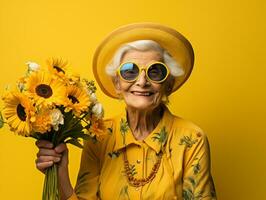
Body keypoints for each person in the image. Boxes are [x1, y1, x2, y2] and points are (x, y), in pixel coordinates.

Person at [35, 23, 216, 200]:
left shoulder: (192, 139)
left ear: (168, 85)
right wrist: (61, 176)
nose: (142, 81)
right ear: (117, 84)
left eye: (155, 71)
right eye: (130, 71)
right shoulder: (99, 136)